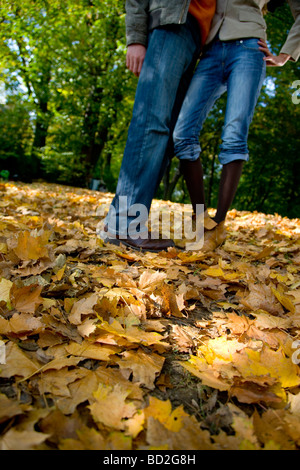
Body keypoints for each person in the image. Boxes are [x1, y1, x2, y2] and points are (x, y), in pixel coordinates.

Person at [172, 0, 300, 251]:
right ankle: (201, 218)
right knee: (182, 134)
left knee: (234, 135)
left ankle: (217, 225)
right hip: (208, 51)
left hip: (249, 48)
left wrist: (286, 54)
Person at [100, 0, 217, 252]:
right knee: (151, 122)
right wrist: (135, 39)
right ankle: (123, 224)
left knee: (166, 139)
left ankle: (131, 222)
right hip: (170, 24)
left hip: (197, 40)